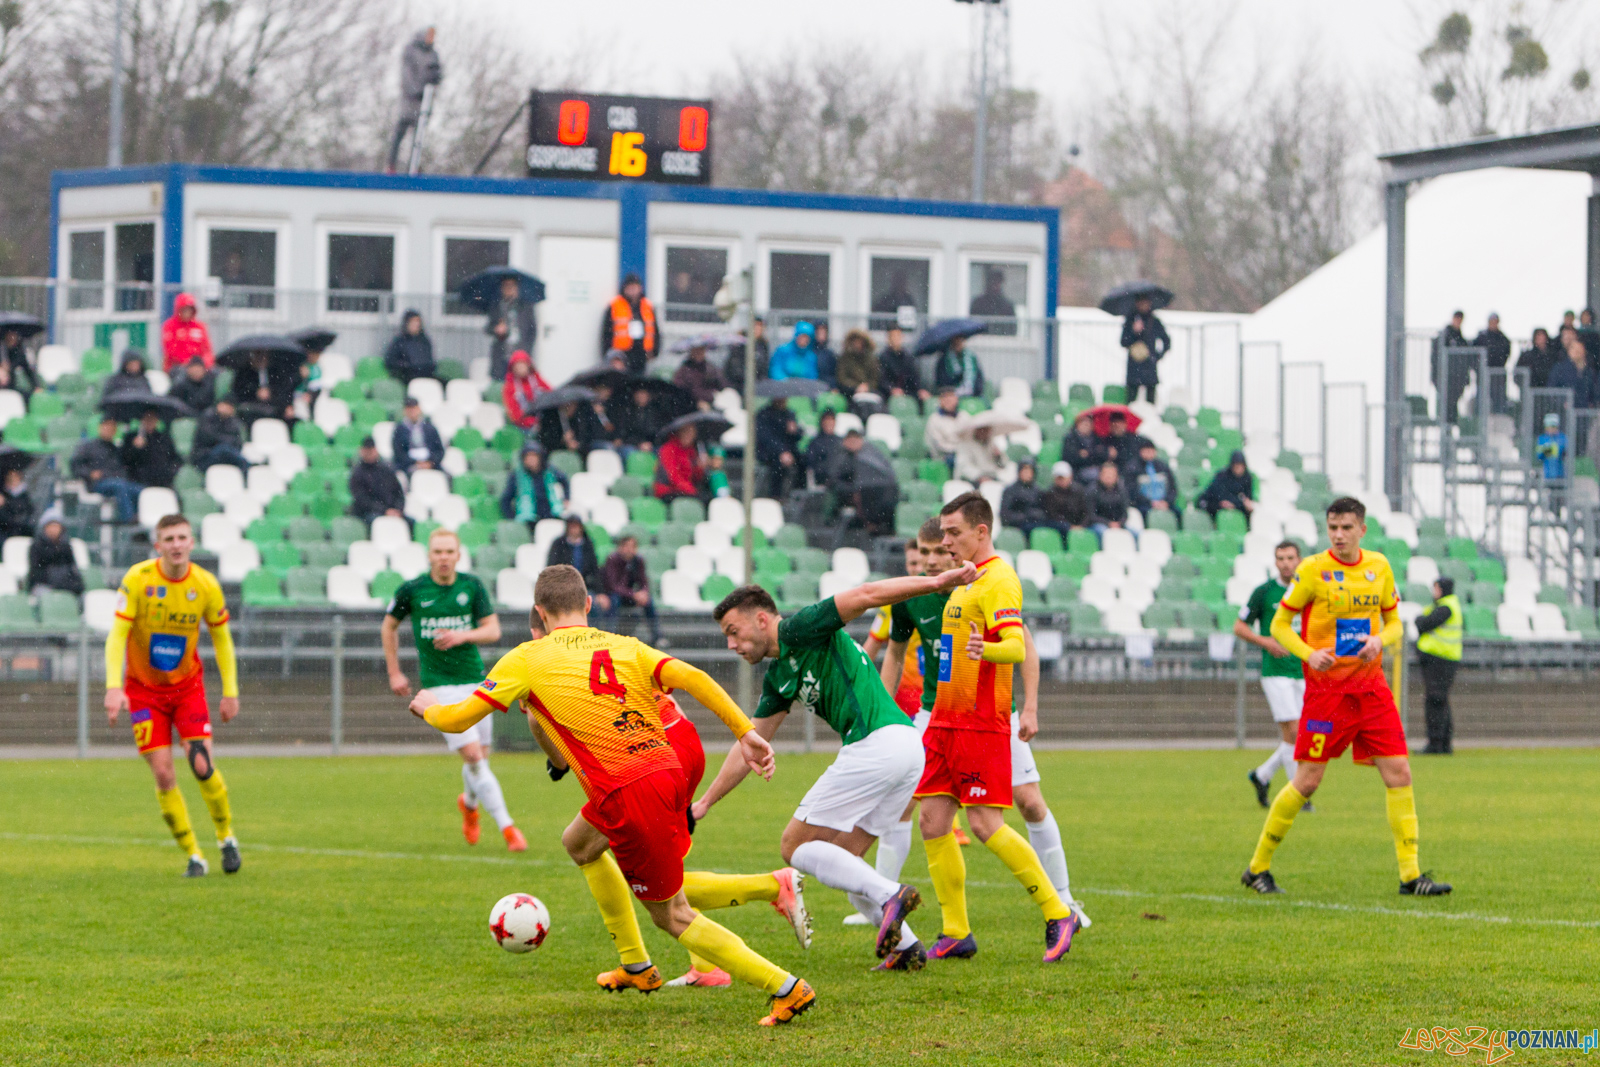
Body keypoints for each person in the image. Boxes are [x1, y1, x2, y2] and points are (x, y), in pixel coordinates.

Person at [412, 565, 812, 1026]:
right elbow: (695, 677)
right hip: (664, 765)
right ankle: (637, 965)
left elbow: (458, 719)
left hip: (628, 791)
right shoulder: (624, 646)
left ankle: (786, 987)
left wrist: (428, 707)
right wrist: (744, 731)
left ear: (539, 613)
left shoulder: (526, 657)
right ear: (587, 605)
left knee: (673, 915)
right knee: (579, 843)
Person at [702, 559, 980, 971]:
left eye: (733, 632)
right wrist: (704, 803)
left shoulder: (801, 627)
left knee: (793, 847)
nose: (731, 645)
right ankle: (907, 949)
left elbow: (866, 594)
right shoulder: (780, 676)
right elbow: (750, 745)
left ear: (761, 619)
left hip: (878, 746)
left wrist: (936, 582)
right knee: (844, 864)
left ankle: (891, 894)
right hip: (904, 749)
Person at [522, 613, 809, 991]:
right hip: (680, 742)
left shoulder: (541, 663)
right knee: (598, 850)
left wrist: (553, 756)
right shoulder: (609, 644)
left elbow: (555, 751)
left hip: (645, 763)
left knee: (660, 895)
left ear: (536, 630)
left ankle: (769, 897)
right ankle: (697, 964)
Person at [876, 519, 1090, 934]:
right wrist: (884, 712)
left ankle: (1063, 900)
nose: (934, 559)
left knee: (1026, 803)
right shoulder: (910, 598)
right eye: (926, 553)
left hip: (986, 716)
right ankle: (887, 900)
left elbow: (1022, 645)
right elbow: (894, 654)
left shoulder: (981, 585)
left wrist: (1029, 708)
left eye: (942, 550)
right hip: (934, 715)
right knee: (916, 811)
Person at [1242, 497, 1451, 897]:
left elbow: (1393, 624)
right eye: (1332, 527)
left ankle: (1411, 876)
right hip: (1327, 694)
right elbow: (1280, 625)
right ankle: (1257, 868)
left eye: (1346, 528)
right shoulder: (1313, 570)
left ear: (1362, 530)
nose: (1338, 535)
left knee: (1400, 774)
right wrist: (1308, 653)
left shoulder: (1379, 568)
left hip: (1372, 691)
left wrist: (1379, 641)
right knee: (1307, 781)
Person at [104, 514, 242, 877]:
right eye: (169, 538)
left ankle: (226, 837)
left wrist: (230, 692)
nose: (176, 544)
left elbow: (222, 640)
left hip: (187, 689)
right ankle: (194, 856)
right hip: (144, 692)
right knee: (164, 775)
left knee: (201, 765)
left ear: (192, 542)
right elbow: (117, 635)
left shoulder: (206, 585)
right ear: (158, 545)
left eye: (182, 537)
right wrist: (113, 687)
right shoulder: (139, 579)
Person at [384, 528, 525, 851]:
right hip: (439, 686)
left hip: (476, 681)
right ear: (429, 555)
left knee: (480, 761)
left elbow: (493, 630)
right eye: (438, 552)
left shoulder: (472, 586)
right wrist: (394, 672)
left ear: (458, 554)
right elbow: (389, 625)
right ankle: (509, 829)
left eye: (449, 551)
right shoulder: (413, 589)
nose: (443, 557)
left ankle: (469, 806)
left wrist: (463, 636)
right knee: (474, 757)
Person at [1235, 542, 1309, 809]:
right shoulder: (1264, 592)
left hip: (1304, 670)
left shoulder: (1308, 590)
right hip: (1276, 672)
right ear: (1275, 562)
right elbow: (1239, 626)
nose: (1286, 563)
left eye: (1290, 558)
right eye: (1280, 558)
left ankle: (1262, 775)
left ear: (1299, 560)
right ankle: (1298, 796)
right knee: (1294, 732)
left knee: (1301, 736)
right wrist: (1265, 641)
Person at [1414, 576, 1462, 756]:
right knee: (1440, 700)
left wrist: (1420, 620)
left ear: (1441, 589)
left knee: (1435, 700)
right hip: (1443, 659)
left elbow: (1423, 623)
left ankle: (1435, 743)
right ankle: (1443, 743)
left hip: (1440, 660)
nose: (1434, 592)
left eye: (1436, 588)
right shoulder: (1448, 605)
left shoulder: (1445, 607)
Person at [386, 27, 442, 173]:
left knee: (419, 135)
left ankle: (413, 165)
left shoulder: (433, 54)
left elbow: (437, 74)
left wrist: (435, 78)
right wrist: (416, 90)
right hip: (410, 98)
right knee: (400, 131)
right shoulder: (411, 50)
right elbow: (406, 74)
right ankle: (391, 165)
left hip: (424, 101)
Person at [71, 415, 140, 522]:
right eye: (107, 426)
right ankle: (129, 521)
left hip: (117, 481)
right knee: (120, 486)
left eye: (112, 427)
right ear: (100, 427)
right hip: (98, 484)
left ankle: (142, 519)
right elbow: (75, 466)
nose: (109, 429)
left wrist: (135, 448)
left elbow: (125, 466)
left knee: (141, 490)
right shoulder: (88, 446)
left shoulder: (117, 449)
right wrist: (89, 473)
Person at [831, 429, 899, 536]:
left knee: (886, 490)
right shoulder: (841, 456)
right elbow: (835, 480)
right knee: (863, 493)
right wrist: (852, 488)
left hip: (869, 489)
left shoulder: (869, 455)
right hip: (847, 490)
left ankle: (884, 524)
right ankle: (871, 524)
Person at [599, 534, 660, 644]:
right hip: (615, 595)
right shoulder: (612, 560)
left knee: (649, 601)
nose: (630, 550)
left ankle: (657, 637)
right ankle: (609, 634)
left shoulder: (638, 561)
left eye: (633, 547)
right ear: (620, 547)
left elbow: (644, 581)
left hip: (629, 596)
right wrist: (633, 594)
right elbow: (613, 586)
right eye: (627, 546)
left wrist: (643, 593)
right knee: (614, 600)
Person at [546, 516, 609, 611]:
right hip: (563, 587)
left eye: (576, 526)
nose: (574, 530)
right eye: (571, 527)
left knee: (594, 605)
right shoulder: (558, 544)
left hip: (585, 587)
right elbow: (552, 568)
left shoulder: (587, 545)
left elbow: (594, 570)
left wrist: (600, 592)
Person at [499, 444, 568, 530]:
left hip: (551, 513)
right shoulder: (516, 475)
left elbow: (564, 480)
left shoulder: (549, 471)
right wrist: (512, 517)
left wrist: (566, 498)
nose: (531, 459)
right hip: (529, 519)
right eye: (528, 456)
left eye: (534, 456)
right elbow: (505, 499)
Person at [601, 273, 657, 375]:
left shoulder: (648, 306)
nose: (633, 291)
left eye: (635, 287)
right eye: (630, 287)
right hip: (621, 355)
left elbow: (655, 330)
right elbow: (606, 332)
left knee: (639, 383)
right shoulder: (615, 306)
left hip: (641, 354)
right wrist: (609, 355)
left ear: (640, 288)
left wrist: (654, 351)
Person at [487, 276, 537, 381]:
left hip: (519, 355)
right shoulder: (497, 306)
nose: (509, 289)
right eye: (506, 286)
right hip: (502, 353)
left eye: (512, 286)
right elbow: (488, 328)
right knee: (501, 382)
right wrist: (497, 330)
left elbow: (532, 331)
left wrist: (527, 351)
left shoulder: (526, 307)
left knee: (519, 384)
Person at [1121, 296, 1170, 403]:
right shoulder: (1130, 320)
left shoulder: (1154, 321)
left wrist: (1157, 355)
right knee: (1131, 400)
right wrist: (1134, 332)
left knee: (1150, 401)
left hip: (1149, 366)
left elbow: (1166, 341)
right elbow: (1123, 342)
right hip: (1134, 366)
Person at [754, 396, 804, 499]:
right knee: (778, 464)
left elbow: (796, 437)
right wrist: (781, 451)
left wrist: (794, 431)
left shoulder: (789, 414)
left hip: (788, 450)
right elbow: (765, 438)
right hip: (769, 451)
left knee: (803, 459)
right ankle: (776, 495)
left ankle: (797, 492)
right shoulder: (764, 414)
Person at [227, 349, 296, 424]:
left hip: (274, 408)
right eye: (257, 354)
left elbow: (284, 390)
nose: (260, 358)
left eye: (263, 355)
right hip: (251, 408)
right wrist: (255, 392)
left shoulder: (277, 372)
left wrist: (271, 393)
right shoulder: (244, 373)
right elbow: (238, 391)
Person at [349, 436, 407, 525]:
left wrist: (397, 509)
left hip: (390, 511)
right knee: (376, 521)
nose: (370, 453)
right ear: (361, 451)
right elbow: (362, 500)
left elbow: (399, 493)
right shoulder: (357, 473)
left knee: (409, 522)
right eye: (367, 451)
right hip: (369, 513)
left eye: (371, 450)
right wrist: (384, 511)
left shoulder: (386, 470)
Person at [120, 411, 181, 489]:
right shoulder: (132, 437)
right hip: (140, 481)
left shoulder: (164, 438)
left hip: (163, 481)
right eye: (147, 418)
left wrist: (170, 472)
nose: (149, 422)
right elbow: (125, 460)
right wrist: (135, 448)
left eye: (152, 419)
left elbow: (175, 458)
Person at [26, 515, 83, 594]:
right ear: (45, 528)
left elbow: (72, 568)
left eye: (56, 526)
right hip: (43, 585)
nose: (54, 530)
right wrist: (55, 578)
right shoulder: (36, 547)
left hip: (64, 585)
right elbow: (36, 572)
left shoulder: (66, 547)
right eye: (51, 526)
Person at [189, 398, 249, 473]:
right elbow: (208, 437)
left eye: (230, 406)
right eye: (225, 405)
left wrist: (225, 441)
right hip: (205, 456)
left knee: (227, 450)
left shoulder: (234, 422)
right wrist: (226, 441)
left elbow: (238, 443)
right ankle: (248, 465)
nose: (226, 408)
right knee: (224, 449)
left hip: (226, 457)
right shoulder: (208, 417)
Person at [160, 293, 214, 373]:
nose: (187, 312)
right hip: (177, 367)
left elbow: (207, 350)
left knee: (215, 375)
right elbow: (171, 351)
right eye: (184, 309)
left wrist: (206, 364)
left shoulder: (199, 326)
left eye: (189, 309)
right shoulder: (169, 326)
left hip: (199, 366)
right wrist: (190, 364)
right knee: (182, 376)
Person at [1197, 450, 1256, 522]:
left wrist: (1235, 503)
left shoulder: (1247, 478)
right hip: (1217, 505)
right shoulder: (1222, 476)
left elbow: (1246, 497)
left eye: (1241, 466)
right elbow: (1215, 493)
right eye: (1236, 466)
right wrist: (1227, 502)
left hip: (1237, 507)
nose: (1239, 469)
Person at [654, 423, 706, 502]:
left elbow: (695, 478)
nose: (689, 436)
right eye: (686, 432)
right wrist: (691, 490)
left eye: (692, 433)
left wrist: (700, 467)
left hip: (684, 490)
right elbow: (673, 476)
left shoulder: (691, 452)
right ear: (679, 432)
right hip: (668, 491)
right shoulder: (668, 449)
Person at [390, 397, 444, 474]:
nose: (412, 411)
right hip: (408, 465)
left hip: (430, 463)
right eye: (409, 409)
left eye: (414, 408)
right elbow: (398, 452)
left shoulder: (430, 428)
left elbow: (439, 450)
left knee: (447, 476)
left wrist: (430, 462)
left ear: (419, 409)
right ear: (405, 411)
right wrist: (415, 462)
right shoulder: (399, 429)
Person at [501, 350, 552, 431]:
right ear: (513, 367)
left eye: (523, 364)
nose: (521, 367)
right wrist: (530, 421)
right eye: (518, 365)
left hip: (542, 422)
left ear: (528, 365)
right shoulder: (509, 386)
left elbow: (550, 393)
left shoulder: (536, 379)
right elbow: (514, 415)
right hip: (522, 427)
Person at [1434, 310, 1471, 420]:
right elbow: (1436, 358)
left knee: (1453, 403)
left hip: (1457, 378)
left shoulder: (1461, 339)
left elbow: (1466, 359)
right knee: (1446, 404)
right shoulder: (1444, 337)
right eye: (1457, 318)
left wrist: (1465, 377)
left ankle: (1450, 425)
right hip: (1446, 377)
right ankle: (1446, 425)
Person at [1127, 441, 1178, 521]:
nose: (1149, 454)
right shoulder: (1133, 468)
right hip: (1144, 504)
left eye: (1151, 451)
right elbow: (1133, 491)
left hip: (1163, 503)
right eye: (1146, 451)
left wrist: (1166, 501)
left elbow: (1172, 488)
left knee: (1178, 513)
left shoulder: (1163, 466)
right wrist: (1150, 502)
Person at [1473, 312, 1512, 414]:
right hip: (1483, 374)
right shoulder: (1481, 338)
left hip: (1498, 375)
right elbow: (1474, 354)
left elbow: (1506, 354)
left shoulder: (1503, 339)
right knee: (1481, 398)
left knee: (1499, 400)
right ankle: (1478, 420)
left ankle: (1499, 420)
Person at [538, 397, 603, 457]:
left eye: (574, 405)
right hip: (559, 453)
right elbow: (547, 440)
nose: (572, 408)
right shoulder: (553, 420)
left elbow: (588, 435)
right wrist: (562, 440)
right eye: (569, 405)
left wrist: (578, 444)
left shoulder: (579, 418)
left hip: (580, 454)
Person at [384, 310, 436, 384]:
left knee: (446, 384)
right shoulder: (400, 341)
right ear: (407, 323)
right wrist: (406, 365)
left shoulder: (424, 341)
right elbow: (390, 361)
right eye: (413, 322)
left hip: (426, 375)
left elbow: (429, 360)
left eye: (418, 321)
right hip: (407, 376)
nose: (416, 324)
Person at [877, 325, 925, 403]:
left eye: (898, 336)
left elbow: (914, 377)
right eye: (892, 336)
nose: (895, 339)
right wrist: (891, 389)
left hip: (907, 392)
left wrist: (919, 390)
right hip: (887, 395)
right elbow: (881, 379)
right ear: (888, 339)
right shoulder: (883, 357)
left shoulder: (908, 357)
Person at [614, 384, 667, 455]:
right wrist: (639, 443)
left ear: (649, 396)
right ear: (634, 395)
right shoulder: (627, 411)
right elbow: (625, 433)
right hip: (632, 445)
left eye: (644, 394)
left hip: (652, 445)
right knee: (628, 452)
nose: (641, 396)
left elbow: (659, 432)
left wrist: (650, 443)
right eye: (638, 394)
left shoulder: (656, 412)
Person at [1547, 336, 1597, 409]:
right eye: (1574, 349)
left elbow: (1594, 392)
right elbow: (1551, 390)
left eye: (1579, 350)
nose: (1577, 352)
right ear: (1568, 351)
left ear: (1584, 351)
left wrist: (1592, 405)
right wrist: (1561, 403)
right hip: (1564, 413)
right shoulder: (1559, 369)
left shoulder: (1590, 371)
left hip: (1584, 414)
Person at [1086, 461, 1130, 540]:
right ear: (1100, 475)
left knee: (1134, 533)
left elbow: (1125, 513)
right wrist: (1108, 523)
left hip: (1118, 524)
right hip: (1098, 524)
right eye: (1106, 474)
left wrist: (1119, 523)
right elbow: (1091, 515)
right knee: (1103, 532)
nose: (1109, 476)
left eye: (1112, 474)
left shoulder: (1122, 490)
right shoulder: (1092, 491)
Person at [1000, 461, 1047, 534]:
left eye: (1030, 471)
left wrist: (1034, 514)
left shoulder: (1038, 490)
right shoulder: (1010, 490)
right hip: (1018, 526)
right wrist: (1023, 516)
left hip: (1036, 523)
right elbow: (1005, 514)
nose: (1027, 473)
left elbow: (1044, 511)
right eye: (1025, 470)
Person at [1041, 461, 1090, 532]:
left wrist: (1082, 525)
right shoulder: (1050, 493)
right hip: (1061, 526)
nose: (1061, 481)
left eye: (1063, 478)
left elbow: (1085, 512)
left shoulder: (1079, 491)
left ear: (1070, 477)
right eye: (1058, 478)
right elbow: (1053, 516)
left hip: (1077, 524)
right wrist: (1070, 526)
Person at [673, 343, 725, 408]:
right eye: (696, 350)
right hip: (690, 407)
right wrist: (696, 401)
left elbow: (721, 385)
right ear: (691, 351)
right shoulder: (684, 370)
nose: (699, 353)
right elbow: (680, 390)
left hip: (713, 404)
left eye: (701, 350)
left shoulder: (711, 368)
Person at [724, 319, 769, 393]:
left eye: (760, 326)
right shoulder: (740, 343)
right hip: (738, 384)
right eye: (756, 326)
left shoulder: (763, 345)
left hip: (756, 384)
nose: (758, 329)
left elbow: (764, 365)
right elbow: (734, 367)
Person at [834, 329, 880, 398]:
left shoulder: (871, 359)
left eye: (859, 341)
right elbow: (842, 378)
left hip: (870, 391)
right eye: (855, 341)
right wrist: (856, 386)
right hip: (849, 392)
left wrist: (867, 386)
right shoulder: (845, 358)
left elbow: (876, 378)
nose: (857, 344)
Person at [804, 410, 844, 488]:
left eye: (831, 420)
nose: (829, 423)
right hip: (824, 480)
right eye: (827, 420)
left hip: (841, 479)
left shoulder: (841, 441)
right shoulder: (815, 442)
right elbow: (811, 462)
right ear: (822, 422)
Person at [1060, 413, 1103, 482]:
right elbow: (1067, 457)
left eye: (1088, 423)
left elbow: (1100, 454)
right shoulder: (1070, 438)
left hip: (1094, 469)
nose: (1086, 425)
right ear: (1077, 425)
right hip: (1076, 470)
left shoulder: (1097, 438)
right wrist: (1081, 456)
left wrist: (1086, 454)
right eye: (1083, 423)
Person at [0, 325, 38, 395]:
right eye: (9, 336)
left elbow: (28, 371)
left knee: (25, 395)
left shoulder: (18, 354)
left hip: (10, 387)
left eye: (14, 336)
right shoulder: (2, 350)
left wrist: (36, 386)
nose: (11, 338)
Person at [0, 468, 36, 539]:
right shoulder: (4, 496)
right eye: (9, 478)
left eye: (15, 477)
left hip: (20, 534)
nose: (12, 480)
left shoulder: (25, 497)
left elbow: (23, 520)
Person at [1535, 413, 1567, 481]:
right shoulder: (1542, 439)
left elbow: (1562, 452)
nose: (1551, 429)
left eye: (1553, 426)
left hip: (1560, 475)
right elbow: (1539, 456)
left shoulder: (1562, 438)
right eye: (1548, 426)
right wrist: (1552, 450)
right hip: (1547, 475)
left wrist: (1547, 450)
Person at [811, 322, 838, 389]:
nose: (821, 334)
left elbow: (833, 374)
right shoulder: (808, 352)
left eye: (823, 331)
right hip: (811, 386)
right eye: (818, 331)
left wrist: (833, 386)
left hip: (825, 387)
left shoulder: (830, 354)